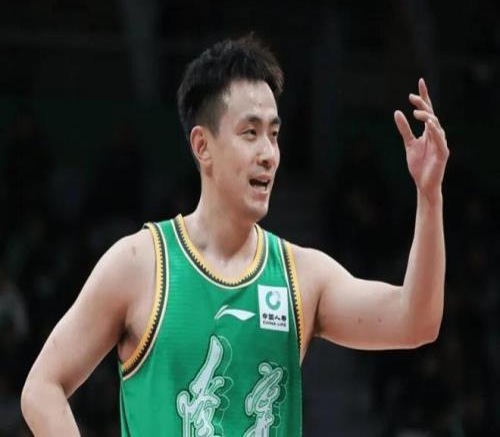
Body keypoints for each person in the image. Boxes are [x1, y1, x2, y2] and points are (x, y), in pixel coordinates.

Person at [21, 35, 449, 436]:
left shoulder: (303, 276)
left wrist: (429, 197)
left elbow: (417, 321)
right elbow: (42, 388)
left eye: (274, 135)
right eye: (250, 133)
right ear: (202, 146)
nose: (268, 153)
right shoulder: (139, 265)